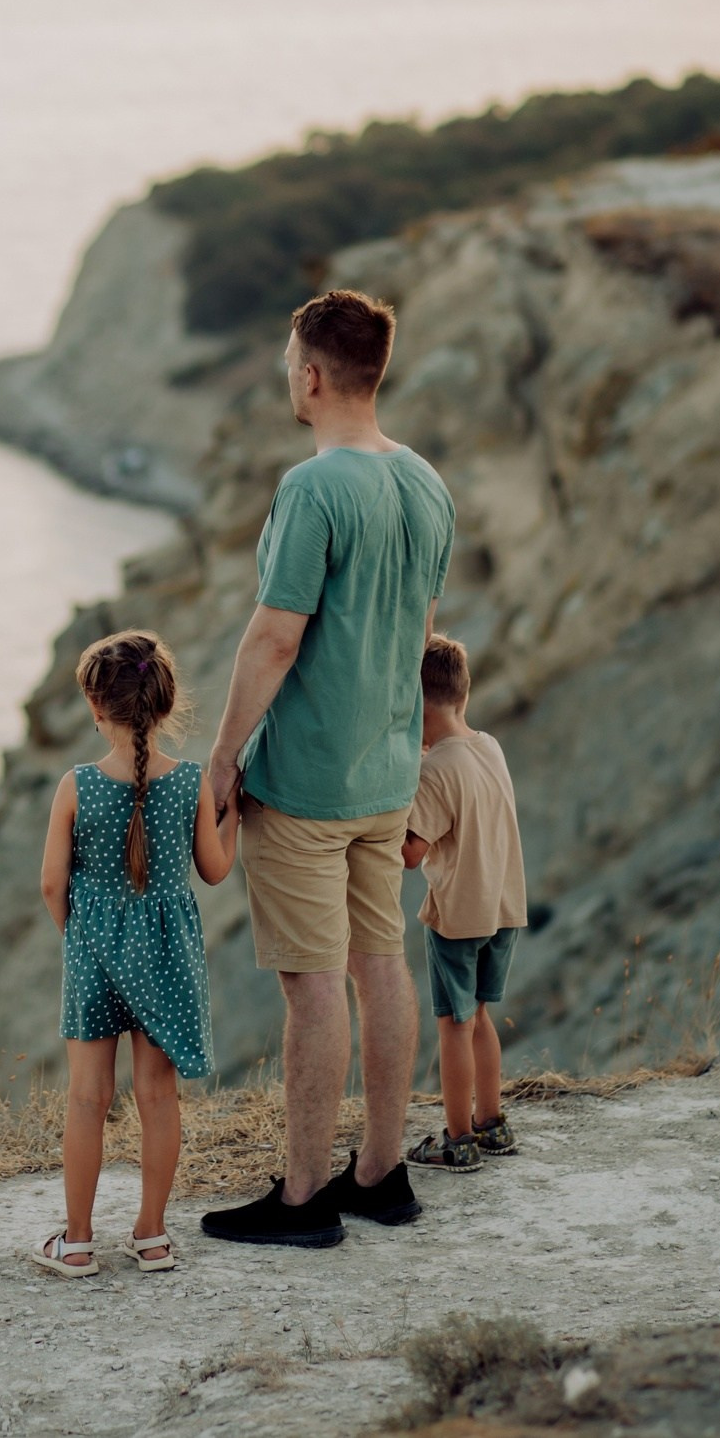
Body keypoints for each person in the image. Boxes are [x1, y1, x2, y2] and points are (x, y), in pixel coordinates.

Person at [199, 289, 454, 1248]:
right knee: (380, 964)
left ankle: (304, 1197)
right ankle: (382, 1174)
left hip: (306, 781)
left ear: (311, 375)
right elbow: (420, 633)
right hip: (386, 773)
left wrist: (224, 756)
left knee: (312, 986)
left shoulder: (312, 489)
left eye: (287, 361)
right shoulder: (425, 481)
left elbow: (274, 639)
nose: (286, 375)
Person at [31, 629, 239, 1277]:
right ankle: (151, 1237)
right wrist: (234, 813)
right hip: (167, 957)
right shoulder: (191, 783)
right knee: (157, 1094)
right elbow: (215, 870)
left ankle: (77, 1241)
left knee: (87, 1098)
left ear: (96, 708)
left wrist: (80, 936)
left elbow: (51, 883)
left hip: (94, 951)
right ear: (165, 703)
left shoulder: (77, 785)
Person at [400, 634, 529, 1173]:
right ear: (464, 694)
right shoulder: (489, 746)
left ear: (414, 703)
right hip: (503, 905)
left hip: (458, 914)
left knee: (453, 1023)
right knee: (478, 1015)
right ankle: (491, 1122)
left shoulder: (434, 770)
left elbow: (412, 854)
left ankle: (456, 1140)